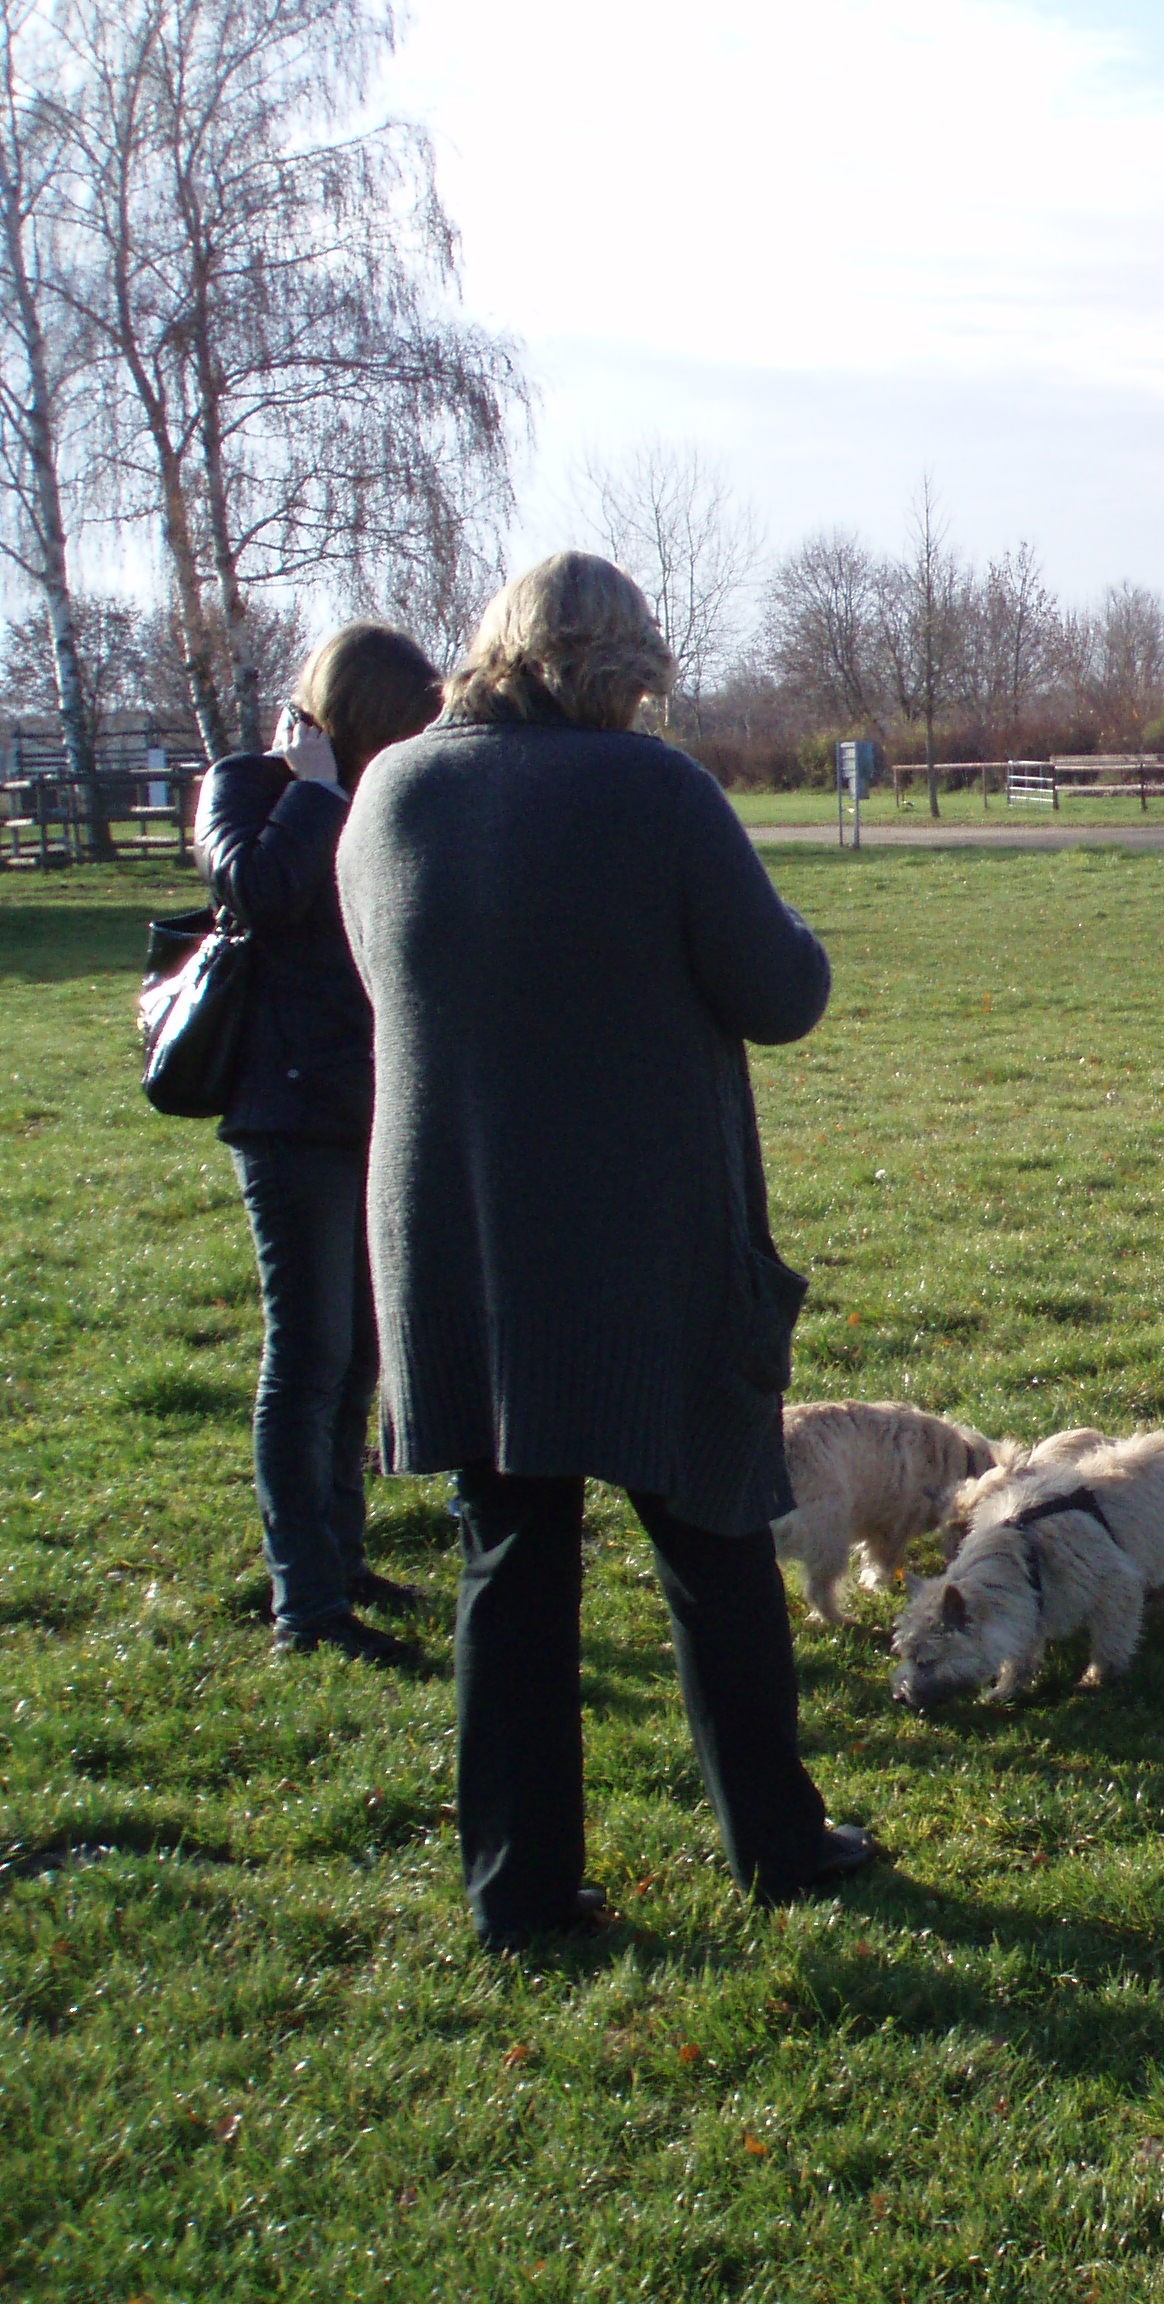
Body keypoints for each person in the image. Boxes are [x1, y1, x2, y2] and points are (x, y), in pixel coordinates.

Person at [337, 551, 873, 1944]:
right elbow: (782, 990)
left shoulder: (392, 788)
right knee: (711, 1527)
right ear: (626, 666)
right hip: (641, 1236)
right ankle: (777, 1839)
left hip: (456, 1236)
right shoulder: (655, 791)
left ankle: (518, 1891)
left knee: (510, 1559)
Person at [197, 623, 447, 1666]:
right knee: (304, 1357)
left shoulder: (379, 794)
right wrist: (309, 790)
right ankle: (305, 1604)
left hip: (372, 1106)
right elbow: (257, 891)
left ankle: (339, 1558)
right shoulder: (249, 786)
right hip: (287, 1111)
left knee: (357, 1354)